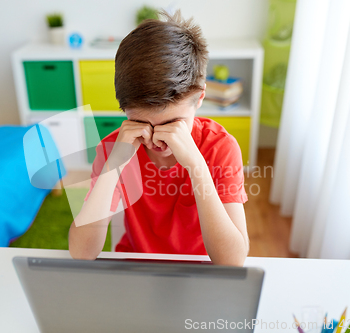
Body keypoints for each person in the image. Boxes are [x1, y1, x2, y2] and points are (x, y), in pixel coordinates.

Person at [69, 10, 249, 266]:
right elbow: (81, 253)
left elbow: (232, 261)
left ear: (199, 98)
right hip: (138, 266)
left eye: (173, 124)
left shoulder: (220, 147)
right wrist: (112, 166)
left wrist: (196, 166)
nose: (156, 140)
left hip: (202, 272)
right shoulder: (115, 148)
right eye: (141, 123)